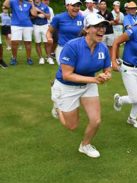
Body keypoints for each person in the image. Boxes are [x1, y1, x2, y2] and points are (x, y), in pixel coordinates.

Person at [51, 13, 111, 158]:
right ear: (87, 29)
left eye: (103, 26)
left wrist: (106, 75)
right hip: (67, 86)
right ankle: (58, 106)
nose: (102, 30)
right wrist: (95, 80)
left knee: (96, 120)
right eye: (97, 26)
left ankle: (85, 145)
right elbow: (67, 75)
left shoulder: (103, 48)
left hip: (88, 84)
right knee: (72, 126)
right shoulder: (72, 46)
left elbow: (107, 68)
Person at [46, 0, 84, 65]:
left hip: (78, 49)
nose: (76, 8)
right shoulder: (59, 17)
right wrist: (49, 38)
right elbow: (49, 31)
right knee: (65, 71)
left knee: (77, 71)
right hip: (63, 48)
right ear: (67, 6)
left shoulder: (82, 18)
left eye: (78, 6)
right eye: (73, 6)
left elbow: (84, 33)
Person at [3, 0, 37, 66]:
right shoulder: (13, 1)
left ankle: (29, 58)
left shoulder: (28, 3)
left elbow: (34, 14)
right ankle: (14, 58)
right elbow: (5, 5)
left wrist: (32, 4)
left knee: (28, 42)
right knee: (14, 42)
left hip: (27, 25)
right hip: (15, 25)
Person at [32, 0, 54, 64]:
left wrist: (40, 11)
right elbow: (30, 17)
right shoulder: (32, 6)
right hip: (35, 25)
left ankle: (49, 57)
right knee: (37, 42)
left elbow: (49, 17)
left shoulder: (45, 6)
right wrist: (37, 15)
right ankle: (41, 58)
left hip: (44, 25)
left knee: (47, 42)